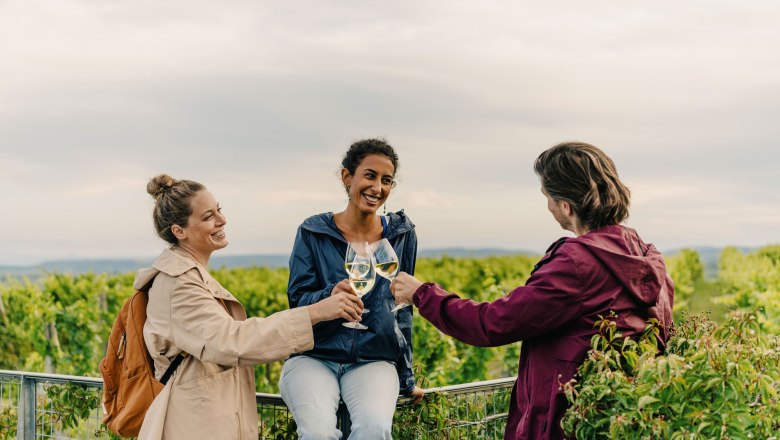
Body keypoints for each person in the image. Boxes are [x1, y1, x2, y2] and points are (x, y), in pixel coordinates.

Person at [391, 141, 674, 440]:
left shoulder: (576, 264)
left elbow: (493, 324)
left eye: (547, 197)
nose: (548, 206)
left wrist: (422, 294)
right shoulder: (648, 258)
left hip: (566, 424)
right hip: (626, 422)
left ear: (565, 205)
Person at [136, 174, 363, 440]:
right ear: (179, 231)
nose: (222, 220)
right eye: (208, 216)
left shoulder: (188, 275)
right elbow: (230, 341)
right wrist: (315, 313)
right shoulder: (178, 285)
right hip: (193, 424)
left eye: (219, 210)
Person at [280, 138, 424, 440]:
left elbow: (402, 309)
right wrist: (328, 297)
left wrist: (407, 378)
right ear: (348, 177)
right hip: (314, 356)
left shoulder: (402, 234)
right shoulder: (312, 232)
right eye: (369, 175)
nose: (377, 188)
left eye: (387, 180)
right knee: (318, 433)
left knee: (374, 429)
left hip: (374, 358)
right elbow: (298, 301)